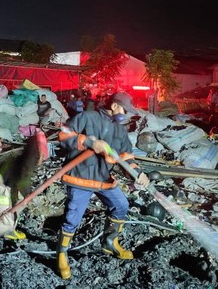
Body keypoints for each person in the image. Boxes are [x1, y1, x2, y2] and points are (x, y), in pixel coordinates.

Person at [56, 92, 149, 279]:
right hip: (80, 177)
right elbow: (63, 135)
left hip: (102, 178)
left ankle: (110, 242)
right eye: (125, 110)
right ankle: (61, 254)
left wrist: (137, 173)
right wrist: (89, 142)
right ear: (114, 106)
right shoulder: (87, 117)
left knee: (121, 205)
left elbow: (126, 158)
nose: (127, 115)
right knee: (72, 218)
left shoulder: (120, 131)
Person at [0, 130, 47, 255]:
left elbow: (23, 181)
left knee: (21, 202)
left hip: (4, 181)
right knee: (6, 222)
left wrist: (26, 196)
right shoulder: (28, 161)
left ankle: (9, 232)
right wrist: (28, 195)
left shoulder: (27, 156)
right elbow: (22, 179)